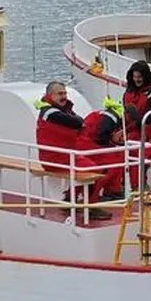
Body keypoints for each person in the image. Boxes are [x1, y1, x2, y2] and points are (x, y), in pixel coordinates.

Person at [34, 80, 114, 208]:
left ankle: (71, 198)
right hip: (55, 159)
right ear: (50, 95)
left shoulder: (59, 110)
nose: (64, 96)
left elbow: (78, 121)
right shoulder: (50, 113)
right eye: (60, 94)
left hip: (65, 156)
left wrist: (78, 122)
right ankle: (90, 206)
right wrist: (79, 122)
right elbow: (76, 122)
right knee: (96, 171)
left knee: (100, 166)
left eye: (65, 93)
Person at [122, 61, 151, 139]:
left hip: (143, 131)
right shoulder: (129, 90)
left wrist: (136, 116)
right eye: (134, 76)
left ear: (146, 77)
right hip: (127, 127)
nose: (136, 80)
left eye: (139, 77)